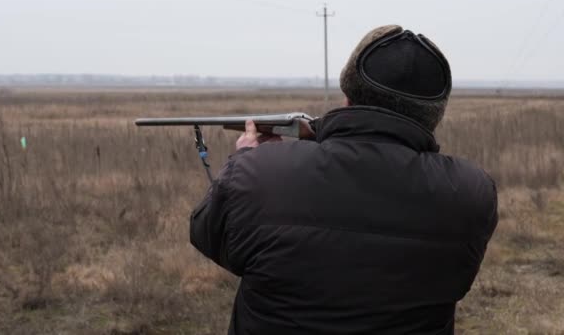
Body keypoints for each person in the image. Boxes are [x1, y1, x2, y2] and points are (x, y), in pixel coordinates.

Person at [190, 25, 498, 335]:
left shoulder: (255, 175)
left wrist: (247, 159)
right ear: (434, 117)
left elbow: (206, 234)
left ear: (347, 97)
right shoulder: (472, 194)